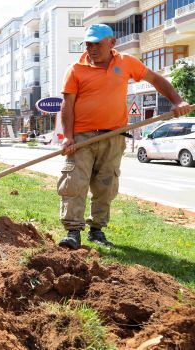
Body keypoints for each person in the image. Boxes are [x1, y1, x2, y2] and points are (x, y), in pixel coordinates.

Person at [57, 24, 192, 250]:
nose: (91, 48)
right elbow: (67, 105)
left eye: (97, 43)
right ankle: (73, 232)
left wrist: (177, 101)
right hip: (82, 138)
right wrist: (67, 137)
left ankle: (96, 231)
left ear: (112, 43)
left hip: (114, 135)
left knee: (106, 185)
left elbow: (156, 79)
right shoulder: (75, 69)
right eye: (88, 44)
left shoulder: (126, 63)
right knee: (74, 183)